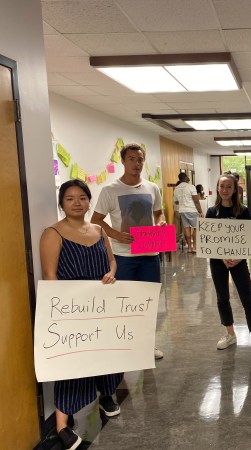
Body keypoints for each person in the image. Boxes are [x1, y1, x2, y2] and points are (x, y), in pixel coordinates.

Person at [40, 180, 120, 450]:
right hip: (72, 310)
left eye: (83, 198)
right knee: (73, 366)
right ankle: (62, 425)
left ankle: (107, 395)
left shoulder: (99, 229)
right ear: (62, 203)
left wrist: (111, 272)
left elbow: (111, 260)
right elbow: (49, 276)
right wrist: (63, 311)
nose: (77, 203)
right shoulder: (52, 233)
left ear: (89, 201)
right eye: (70, 198)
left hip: (101, 306)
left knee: (106, 354)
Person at [91, 143, 166, 360]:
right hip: (124, 255)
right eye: (131, 159)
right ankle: (124, 344)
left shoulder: (152, 188)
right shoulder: (110, 190)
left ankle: (147, 344)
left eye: (140, 159)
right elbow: (96, 221)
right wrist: (115, 234)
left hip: (150, 254)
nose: (136, 163)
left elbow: (159, 214)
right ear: (123, 161)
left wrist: (160, 223)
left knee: (149, 301)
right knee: (124, 301)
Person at [205, 173, 251, 357]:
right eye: (222, 186)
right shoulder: (212, 212)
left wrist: (238, 258)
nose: (225, 190)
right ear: (218, 188)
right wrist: (222, 256)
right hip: (217, 261)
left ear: (235, 189)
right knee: (222, 298)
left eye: (229, 186)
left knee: (248, 299)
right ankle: (230, 334)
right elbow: (209, 240)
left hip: (239, 262)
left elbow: (250, 239)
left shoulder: (243, 211)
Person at [174, 172, 203, 253]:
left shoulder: (176, 188)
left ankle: (189, 248)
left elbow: (176, 202)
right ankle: (194, 247)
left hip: (182, 211)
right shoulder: (191, 187)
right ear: (185, 177)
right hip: (192, 210)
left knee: (186, 228)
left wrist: (183, 201)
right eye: (187, 176)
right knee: (196, 228)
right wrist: (200, 211)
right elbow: (196, 200)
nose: (188, 177)